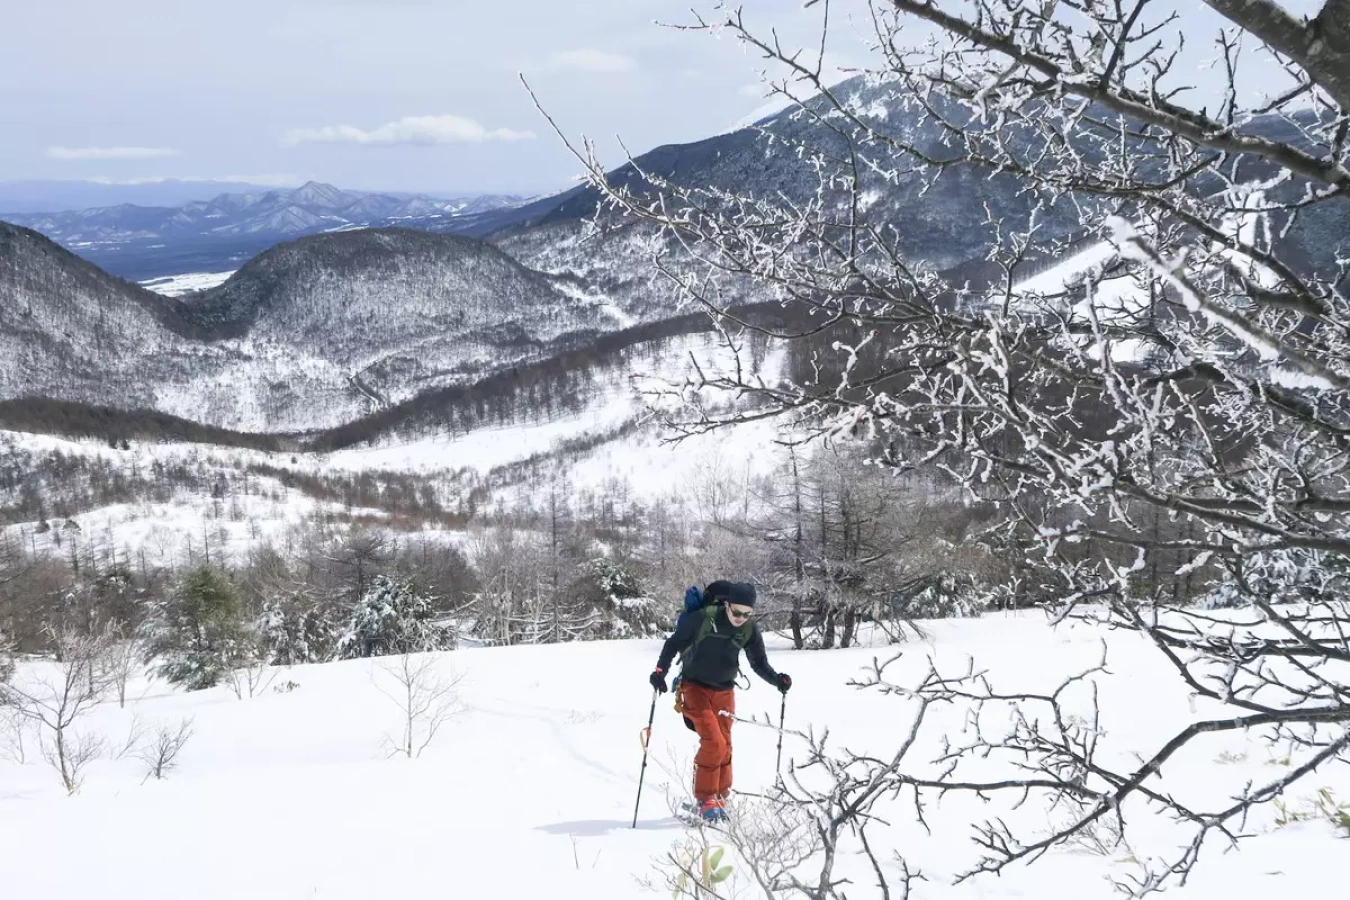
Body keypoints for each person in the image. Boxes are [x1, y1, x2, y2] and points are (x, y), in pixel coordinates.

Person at [648, 580, 791, 821]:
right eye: (736, 612)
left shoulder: (748, 630)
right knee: (714, 743)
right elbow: (673, 643)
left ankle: (721, 797)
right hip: (694, 688)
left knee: (725, 745)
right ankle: (705, 799)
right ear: (726, 605)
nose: (740, 618)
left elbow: (758, 663)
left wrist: (777, 680)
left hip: (725, 692)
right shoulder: (704, 618)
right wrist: (660, 671)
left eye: (747, 614)